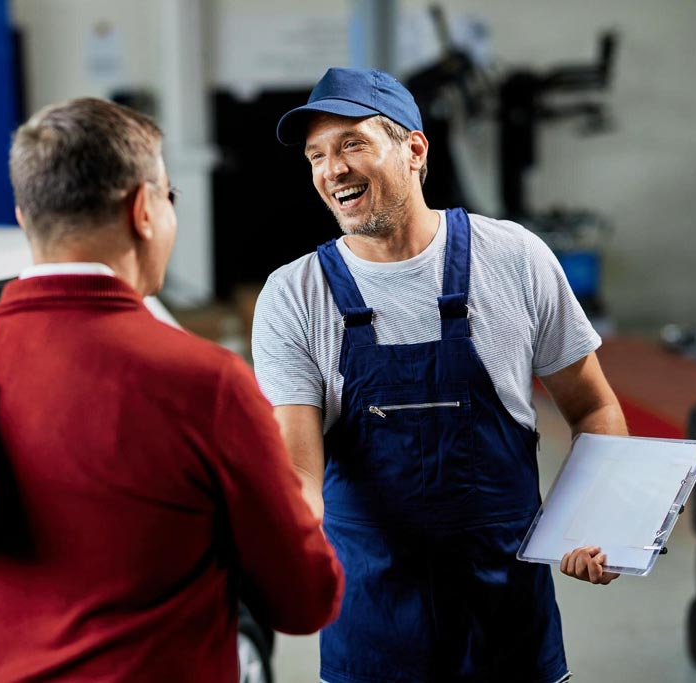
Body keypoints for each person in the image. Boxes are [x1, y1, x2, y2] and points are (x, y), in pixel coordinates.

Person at [0, 96, 344, 682]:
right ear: (144, 210)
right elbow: (304, 600)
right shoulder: (205, 385)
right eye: (170, 197)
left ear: (25, 217)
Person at [251, 68, 628, 683]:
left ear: (414, 149)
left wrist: (598, 522)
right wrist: (275, 547)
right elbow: (298, 470)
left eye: (352, 144)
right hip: (370, 631)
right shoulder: (294, 294)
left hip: (510, 626)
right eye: (317, 155)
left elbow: (593, 408)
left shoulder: (515, 259)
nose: (331, 170)